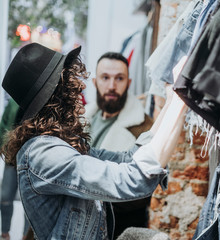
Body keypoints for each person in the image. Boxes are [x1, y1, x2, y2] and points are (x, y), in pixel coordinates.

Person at [0, 43, 187, 240]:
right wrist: (180, 101)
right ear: (56, 97)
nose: (80, 87)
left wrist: (170, 100)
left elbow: (128, 158)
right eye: (70, 84)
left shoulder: (60, 143)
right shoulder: (45, 154)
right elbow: (132, 179)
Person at [85, 52, 153, 236]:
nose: (112, 86)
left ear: (129, 83)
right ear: (94, 82)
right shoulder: (80, 120)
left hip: (118, 227)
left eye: (119, 78)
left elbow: (141, 192)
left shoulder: (144, 129)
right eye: (105, 78)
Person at [0, 98, 30, 240]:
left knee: (30, 201)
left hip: (31, 159)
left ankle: (27, 235)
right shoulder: (13, 102)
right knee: (5, 197)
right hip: (12, 157)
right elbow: (3, 125)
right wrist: (3, 146)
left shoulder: (38, 100)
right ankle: (4, 233)